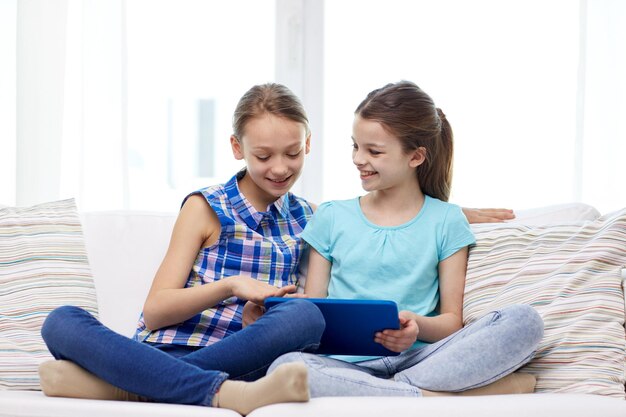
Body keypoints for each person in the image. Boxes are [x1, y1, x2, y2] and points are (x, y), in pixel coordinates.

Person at [38, 82, 519, 411]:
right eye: (262, 156)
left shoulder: (312, 216)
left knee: (304, 316)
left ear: (309, 146)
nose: (279, 168)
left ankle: (125, 385)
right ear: (236, 148)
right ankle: (196, 387)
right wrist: (229, 286)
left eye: (292, 154)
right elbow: (157, 310)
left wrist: (451, 212)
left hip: (252, 358)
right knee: (61, 320)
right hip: (175, 346)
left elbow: (385, 207)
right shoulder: (206, 208)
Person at [268, 81, 544, 398]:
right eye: (355, 146)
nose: (358, 159)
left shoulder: (447, 220)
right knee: (286, 366)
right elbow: (316, 313)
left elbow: (452, 322)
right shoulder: (331, 217)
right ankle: (423, 397)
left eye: (374, 151)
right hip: (345, 365)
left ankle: (391, 392)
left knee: (525, 321)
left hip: (421, 358)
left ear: (415, 157)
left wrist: (416, 326)